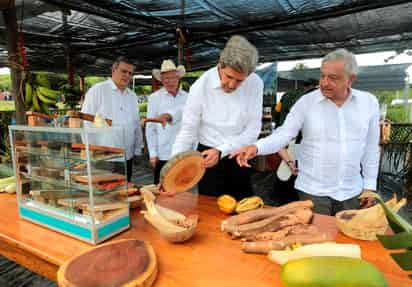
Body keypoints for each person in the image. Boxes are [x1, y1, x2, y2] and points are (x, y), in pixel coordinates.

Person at [231, 48, 379, 215]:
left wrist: (370, 186)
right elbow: (284, 134)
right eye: (322, 75)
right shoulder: (307, 102)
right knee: (316, 238)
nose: (324, 82)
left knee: (351, 239)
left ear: (351, 79)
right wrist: (256, 148)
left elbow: (371, 148)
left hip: (353, 192)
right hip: (313, 192)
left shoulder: (368, 103)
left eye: (333, 78)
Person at [169, 35, 263, 199]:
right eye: (229, 77)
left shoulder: (255, 83)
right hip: (207, 158)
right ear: (220, 64)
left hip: (239, 155)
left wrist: (222, 151)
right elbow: (187, 132)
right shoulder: (200, 87)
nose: (232, 85)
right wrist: (171, 169)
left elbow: (253, 130)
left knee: (243, 206)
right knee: (210, 210)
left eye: (240, 81)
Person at [81, 56, 143, 182]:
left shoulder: (132, 96)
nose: (127, 75)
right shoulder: (97, 90)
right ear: (114, 70)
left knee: (124, 195)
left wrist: (138, 149)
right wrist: (91, 152)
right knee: (104, 197)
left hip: (127, 157)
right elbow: (86, 122)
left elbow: (136, 125)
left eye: (130, 73)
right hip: (104, 158)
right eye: (123, 71)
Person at [145, 59, 189, 184]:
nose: (170, 81)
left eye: (173, 78)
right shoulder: (155, 98)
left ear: (178, 78)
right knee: (161, 189)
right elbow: (150, 127)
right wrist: (153, 154)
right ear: (161, 80)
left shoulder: (187, 97)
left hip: (183, 153)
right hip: (163, 153)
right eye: (166, 79)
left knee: (183, 190)